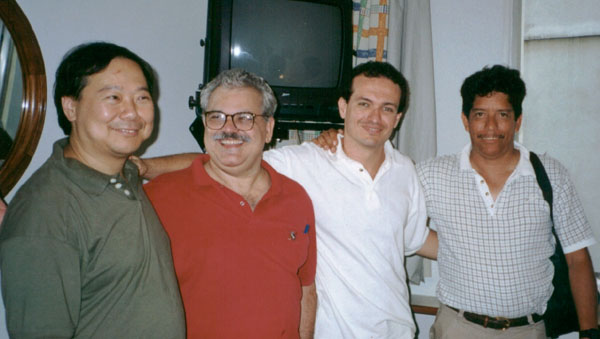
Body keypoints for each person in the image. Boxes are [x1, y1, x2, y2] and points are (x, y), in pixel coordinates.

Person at [137, 61, 438, 338]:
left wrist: (476, 250)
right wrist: (144, 167)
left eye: (387, 108)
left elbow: (414, 239)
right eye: (364, 104)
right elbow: (225, 155)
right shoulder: (304, 162)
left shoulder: (406, 171)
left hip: (397, 330)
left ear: (398, 118)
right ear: (343, 107)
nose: (374, 117)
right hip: (333, 333)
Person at [316, 65, 598, 339]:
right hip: (458, 327)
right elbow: (383, 197)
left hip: (529, 330)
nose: (490, 126)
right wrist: (339, 140)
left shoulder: (549, 174)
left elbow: (577, 259)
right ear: (465, 120)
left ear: (518, 121)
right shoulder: (431, 174)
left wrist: (589, 331)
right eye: (479, 114)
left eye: (502, 114)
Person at [0, 42, 186, 338]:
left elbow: (213, 164)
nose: (131, 112)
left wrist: (148, 167)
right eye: (113, 97)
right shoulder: (46, 210)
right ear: (70, 107)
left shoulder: (125, 174)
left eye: (141, 98)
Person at [143, 68, 317, 339]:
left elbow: (305, 289)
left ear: (268, 128)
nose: (229, 129)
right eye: (217, 117)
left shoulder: (296, 199)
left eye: (245, 118)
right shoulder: (159, 197)